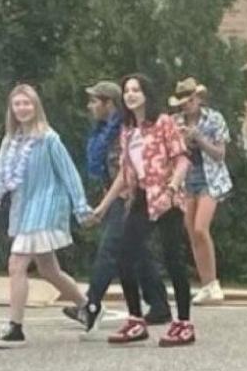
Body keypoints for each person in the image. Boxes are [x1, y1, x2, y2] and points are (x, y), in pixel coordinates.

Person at [0, 84, 95, 349]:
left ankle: (15, 328)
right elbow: (1, 172)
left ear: (36, 107)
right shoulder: (10, 140)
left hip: (46, 206)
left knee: (17, 263)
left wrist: (81, 207)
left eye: (27, 103)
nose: (22, 109)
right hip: (23, 209)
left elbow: (69, 174)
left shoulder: (48, 138)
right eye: (17, 104)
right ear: (11, 109)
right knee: (49, 270)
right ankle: (87, 308)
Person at [94, 74, 194, 347]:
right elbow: (125, 175)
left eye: (136, 90)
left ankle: (184, 323)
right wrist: (103, 207)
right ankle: (136, 319)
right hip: (141, 196)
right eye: (127, 90)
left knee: (173, 258)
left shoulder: (163, 123)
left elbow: (182, 158)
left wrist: (173, 185)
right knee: (125, 255)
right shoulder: (127, 131)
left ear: (146, 94)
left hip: (167, 197)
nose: (130, 94)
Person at [63, 81, 171, 335]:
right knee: (136, 253)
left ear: (109, 103)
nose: (90, 106)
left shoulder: (123, 130)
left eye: (94, 101)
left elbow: (126, 170)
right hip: (117, 197)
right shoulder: (102, 132)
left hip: (130, 197)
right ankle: (159, 305)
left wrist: (107, 204)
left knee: (110, 249)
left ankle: (90, 305)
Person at [171, 77, 232, 305]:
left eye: (190, 100)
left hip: (210, 178)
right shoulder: (175, 122)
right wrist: (183, 141)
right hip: (187, 178)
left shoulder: (213, 119)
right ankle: (206, 283)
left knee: (200, 227)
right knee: (191, 231)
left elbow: (220, 154)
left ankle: (213, 283)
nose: (186, 105)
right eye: (183, 101)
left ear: (198, 99)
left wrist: (200, 139)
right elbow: (173, 155)